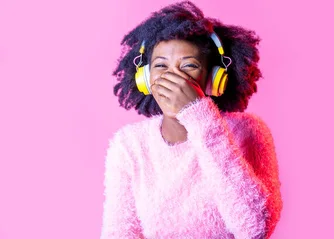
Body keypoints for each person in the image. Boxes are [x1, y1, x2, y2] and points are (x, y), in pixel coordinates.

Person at [100, 1, 282, 238]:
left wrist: (198, 114)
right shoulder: (129, 145)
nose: (173, 77)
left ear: (213, 79)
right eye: (160, 65)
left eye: (188, 66)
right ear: (145, 78)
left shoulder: (249, 131)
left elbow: (255, 228)